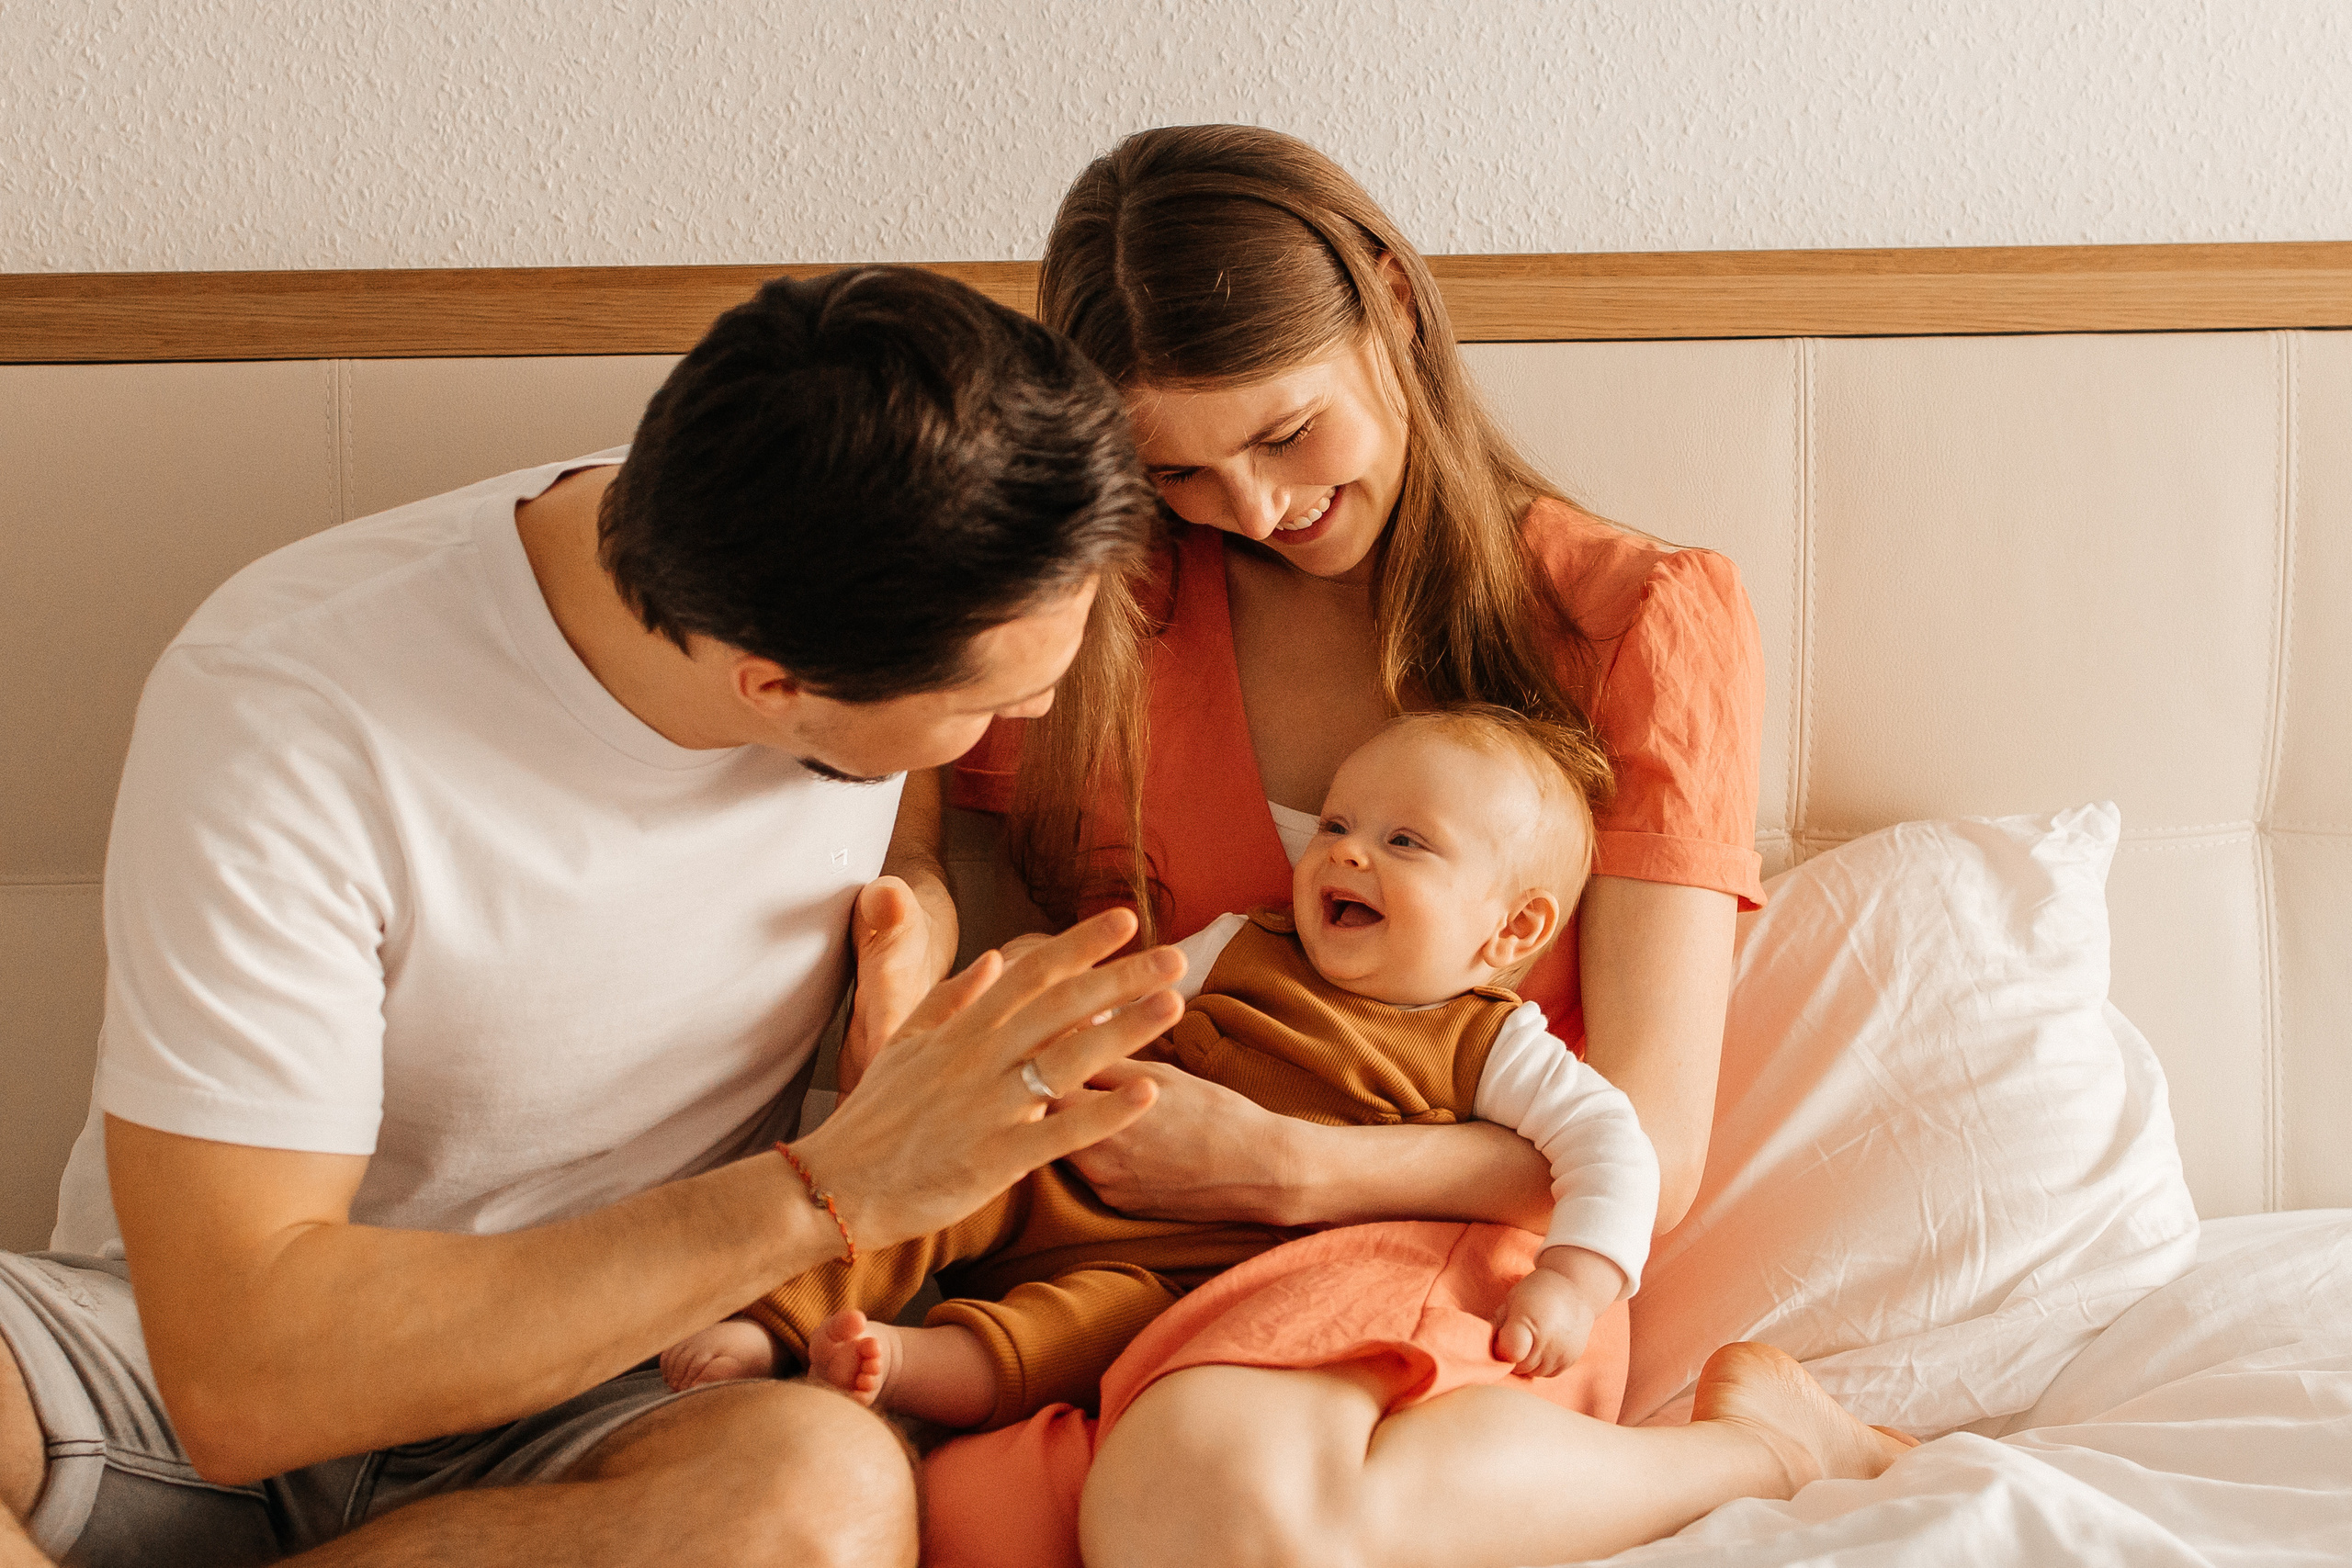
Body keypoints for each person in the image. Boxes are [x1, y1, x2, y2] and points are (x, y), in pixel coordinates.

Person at [0, 266, 1188, 1567]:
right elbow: (241, 1375)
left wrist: (914, 929)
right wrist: (839, 1183)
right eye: (991, 702)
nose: (1022, 725)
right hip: (170, 1362)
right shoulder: (292, 712)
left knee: (821, 1502)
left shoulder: (848, 524)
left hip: (617, 1393)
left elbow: (893, 813)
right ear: (772, 686)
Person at [919, 125, 1908, 1567]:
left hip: (1456, 1238)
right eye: (1178, 473)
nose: (1252, 509)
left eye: (1283, 434)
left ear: (1388, 298)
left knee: (1213, 1492)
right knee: (985, 1513)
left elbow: (1652, 1141)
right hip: (1116, 1253)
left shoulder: (1629, 620)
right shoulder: (1091, 627)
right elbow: (916, 866)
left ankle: (1754, 1446)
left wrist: (1283, 1168)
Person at [660, 706, 1657, 1427]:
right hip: (1067, 1168)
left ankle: (909, 1367)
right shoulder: (1245, 941)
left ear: (1511, 926)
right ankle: (775, 1324)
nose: (1345, 856)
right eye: (1338, 827)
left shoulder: (1491, 1044)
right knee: (921, 1192)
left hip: (1195, 1274)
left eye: (1404, 842)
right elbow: (1118, 1002)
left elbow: (1615, 1145)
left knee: (1098, 1333)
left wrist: (1573, 1280)